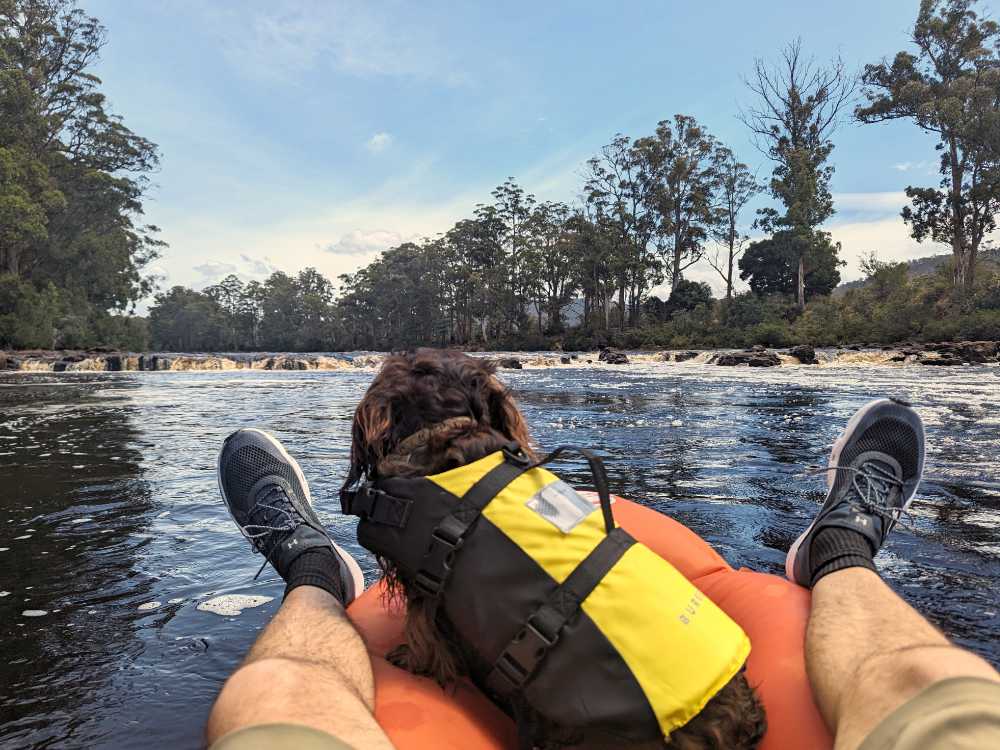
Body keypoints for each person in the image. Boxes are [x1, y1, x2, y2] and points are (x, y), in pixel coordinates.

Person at [205, 356, 1000, 749]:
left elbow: (441, 628)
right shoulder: (537, 484)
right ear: (495, 419)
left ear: (380, 432)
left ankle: (311, 569)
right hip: (737, 703)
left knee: (274, 690)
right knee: (939, 683)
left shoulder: (409, 512)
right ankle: (840, 547)